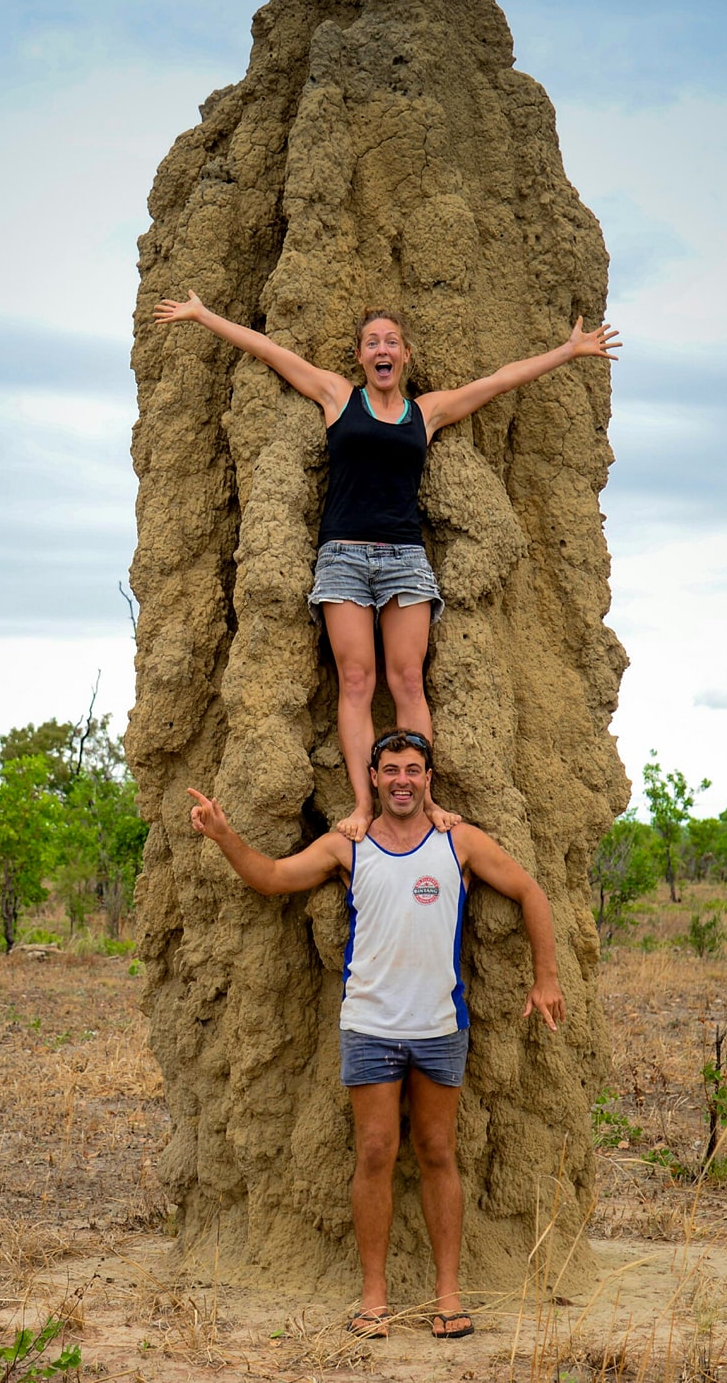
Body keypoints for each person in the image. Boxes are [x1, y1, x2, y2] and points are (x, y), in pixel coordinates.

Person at [154, 292, 619, 840]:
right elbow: (272, 352)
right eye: (373, 342)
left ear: (406, 356)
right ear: (359, 356)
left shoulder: (426, 412)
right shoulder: (337, 397)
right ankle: (361, 803)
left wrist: (566, 351)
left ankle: (425, 801)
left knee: (407, 683)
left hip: (404, 561)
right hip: (343, 557)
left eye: (391, 342)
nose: (382, 349)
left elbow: (497, 381)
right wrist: (204, 315)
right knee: (356, 680)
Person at [186, 728, 565, 1342]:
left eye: (414, 770)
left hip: (441, 1025)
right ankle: (374, 1298)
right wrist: (226, 835)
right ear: (375, 777)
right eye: (391, 770)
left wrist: (545, 977)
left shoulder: (457, 841)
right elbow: (274, 877)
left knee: (440, 1152)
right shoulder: (348, 847)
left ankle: (448, 1295)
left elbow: (530, 892)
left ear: (428, 778)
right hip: (369, 1024)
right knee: (374, 1153)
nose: (402, 781)